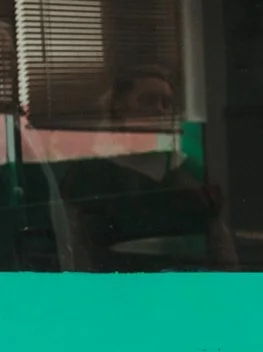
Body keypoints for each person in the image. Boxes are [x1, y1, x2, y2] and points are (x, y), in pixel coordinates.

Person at [46, 66, 239, 271]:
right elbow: (73, 246)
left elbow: (219, 240)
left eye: (166, 103)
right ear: (120, 107)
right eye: (148, 101)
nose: (159, 110)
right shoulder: (88, 173)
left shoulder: (189, 170)